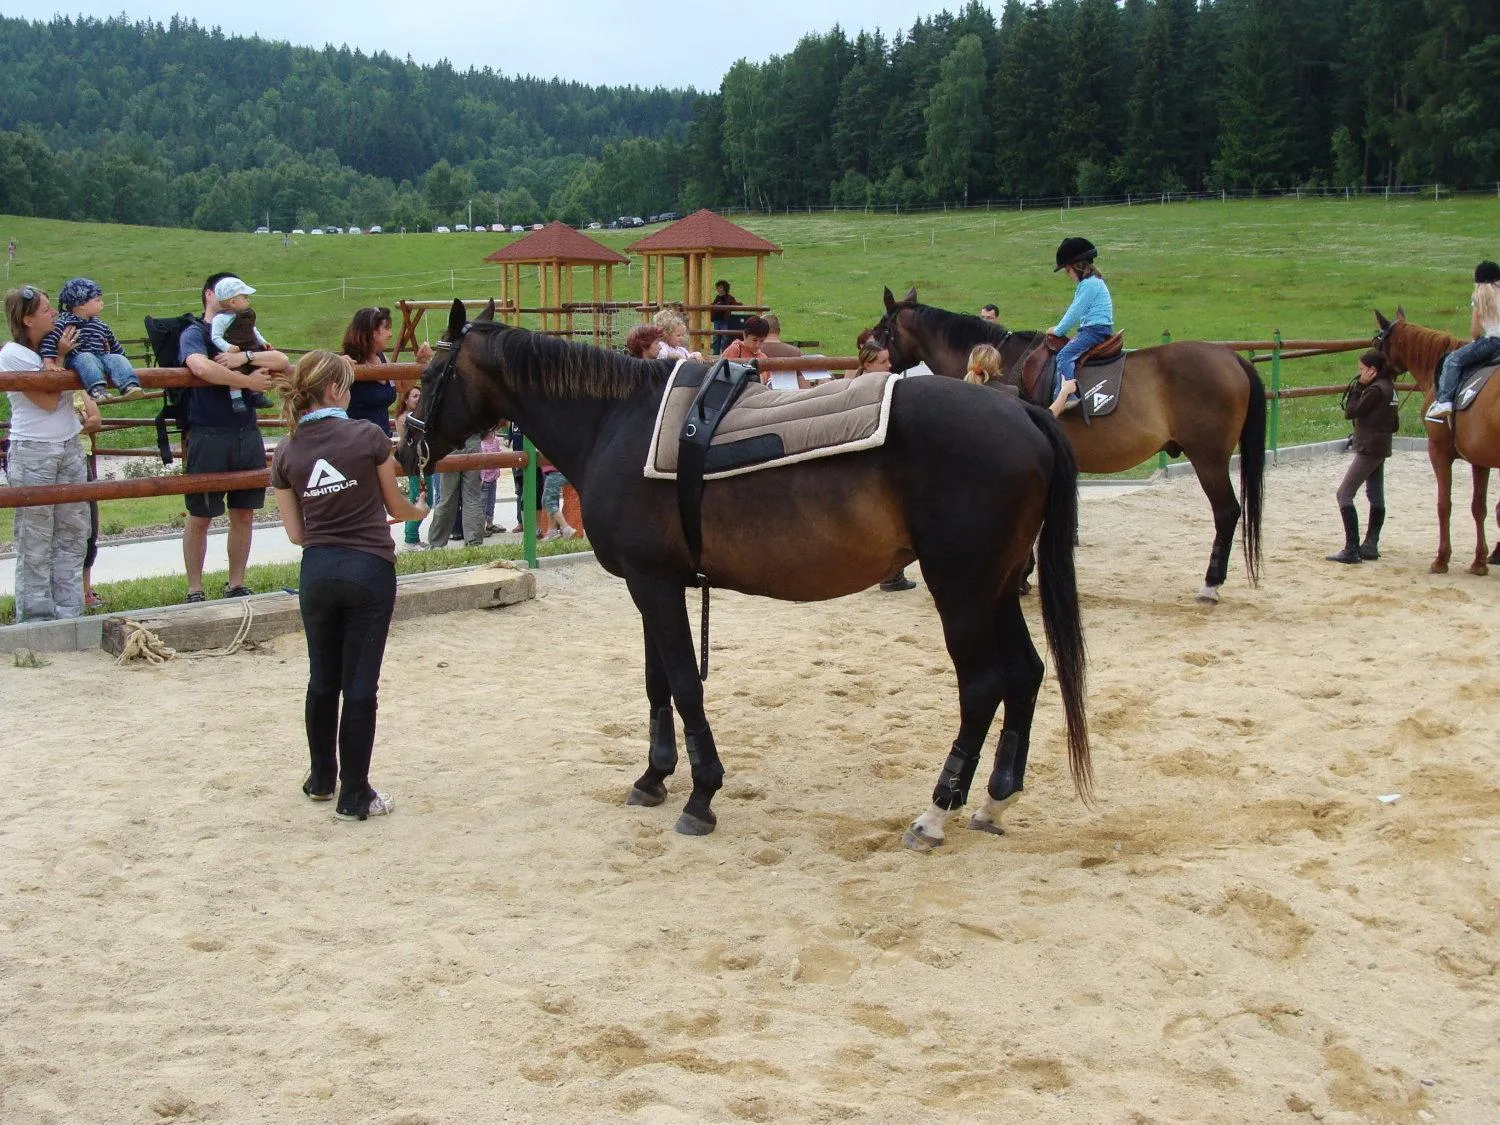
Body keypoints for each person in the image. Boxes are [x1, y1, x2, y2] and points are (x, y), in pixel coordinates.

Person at [270, 350, 428, 821]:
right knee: (361, 685)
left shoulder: (287, 449)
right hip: (368, 568)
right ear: (337, 390)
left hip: (317, 570)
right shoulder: (367, 436)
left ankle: (322, 778)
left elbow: (296, 534)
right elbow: (396, 508)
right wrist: (419, 511)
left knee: (322, 679)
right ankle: (355, 793)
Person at [179, 271, 290, 603]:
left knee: (244, 511)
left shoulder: (244, 332)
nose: (241, 302)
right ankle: (195, 588)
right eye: (235, 295)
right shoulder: (194, 332)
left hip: (246, 432)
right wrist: (247, 383)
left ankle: (236, 583)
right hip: (209, 431)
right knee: (200, 514)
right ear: (211, 295)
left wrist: (245, 358)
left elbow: (280, 359)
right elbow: (200, 367)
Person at [2, 285, 99, 621]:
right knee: (35, 536)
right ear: (27, 319)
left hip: (69, 444)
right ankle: (34, 617)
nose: (54, 313)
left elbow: (76, 385)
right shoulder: (12, 354)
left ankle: (70, 612)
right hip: (33, 449)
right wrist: (58, 358)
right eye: (45, 309)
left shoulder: (58, 348)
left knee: (74, 532)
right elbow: (44, 401)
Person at [1327, 350, 1399, 564]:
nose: (1359, 374)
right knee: (1376, 494)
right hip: (1381, 446)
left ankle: (1351, 549)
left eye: (1362, 370)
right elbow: (1395, 424)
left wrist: (1359, 387)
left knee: (1344, 494)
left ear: (1372, 370)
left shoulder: (1375, 390)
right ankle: (1370, 544)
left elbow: (1350, 411)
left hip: (1368, 447)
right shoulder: (1390, 388)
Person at [38, 278, 143, 402]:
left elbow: (112, 342)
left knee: (117, 358)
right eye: (97, 300)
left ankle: (129, 385)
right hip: (76, 358)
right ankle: (96, 389)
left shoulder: (99, 323)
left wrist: (119, 357)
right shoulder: (64, 322)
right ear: (81, 305)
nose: (102, 303)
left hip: (101, 356)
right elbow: (50, 340)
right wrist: (49, 362)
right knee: (86, 357)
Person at [1425, 261, 1500, 422]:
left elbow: (1475, 331)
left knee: (1453, 360)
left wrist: (1476, 341)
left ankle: (1444, 401)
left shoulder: (1480, 296)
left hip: (1493, 343)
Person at [341, 305, 432, 435]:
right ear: (372, 332)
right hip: (355, 442)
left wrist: (419, 362)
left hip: (382, 439)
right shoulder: (347, 362)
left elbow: (402, 386)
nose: (390, 334)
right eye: (386, 328)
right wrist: (336, 364)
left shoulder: (384, 360)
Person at [1049, 237, 1113, 412]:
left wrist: (1058, 330)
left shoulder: (1088, 286)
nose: (1067, 275)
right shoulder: (1094, 283)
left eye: (1067, 270)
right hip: (1097, 328)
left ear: (1077, 266)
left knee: (1064, 356)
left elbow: (1074, 311)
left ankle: (1066, 397)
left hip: (1093, 330)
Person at [207, 277, 276, 415]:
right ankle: (237, 400)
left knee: (260, 367)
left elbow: (253, 330)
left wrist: (262, 341)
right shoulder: (221, 319)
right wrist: (227, 347)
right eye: (244, 297)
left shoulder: (247, 315)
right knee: (236, 373)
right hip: (234, 352)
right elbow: (216, 337)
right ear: (233, 302)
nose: (247, 300)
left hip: (251, 348)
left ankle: (257, 395)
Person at [427, 432, 485, 548]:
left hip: (450, 444)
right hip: (473, 443)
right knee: (472, 498)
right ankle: (474, 542)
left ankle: (437, 542)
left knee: (447, 498)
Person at [392, 384, 428, 548]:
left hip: (424, 460)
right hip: (414, 462)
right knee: (418, 497)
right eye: (414, 396)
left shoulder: (420, 416)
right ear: (405, 399)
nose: (418, 399)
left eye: (420, 395)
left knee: (428, 499)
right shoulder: (404, 418)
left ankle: (413, 536)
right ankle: (410, 538)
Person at [539, 454, 577, 541]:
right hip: (556, 471)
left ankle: (567, 528)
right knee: (547, 500)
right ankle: (552, 531)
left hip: (554, 472)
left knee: (549, 502)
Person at [479, 427, 504, 535]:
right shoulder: (481, 444)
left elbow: (499, 454)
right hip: (484, 479)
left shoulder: (496, 441)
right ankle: (481, 525)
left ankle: (490, 523)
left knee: (491, 501)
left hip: (493, 477)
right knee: (483, 502)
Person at [709, 279, 740, 356]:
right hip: (717, 321)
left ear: (725, 288)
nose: (718, 289)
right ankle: (715, 354)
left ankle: (724, 354)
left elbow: (735, 304)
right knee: (716, 338)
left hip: (725, 321)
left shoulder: (729, 298)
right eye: (717, 288)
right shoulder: (717, 297)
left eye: (720, 287)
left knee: (725, 338)